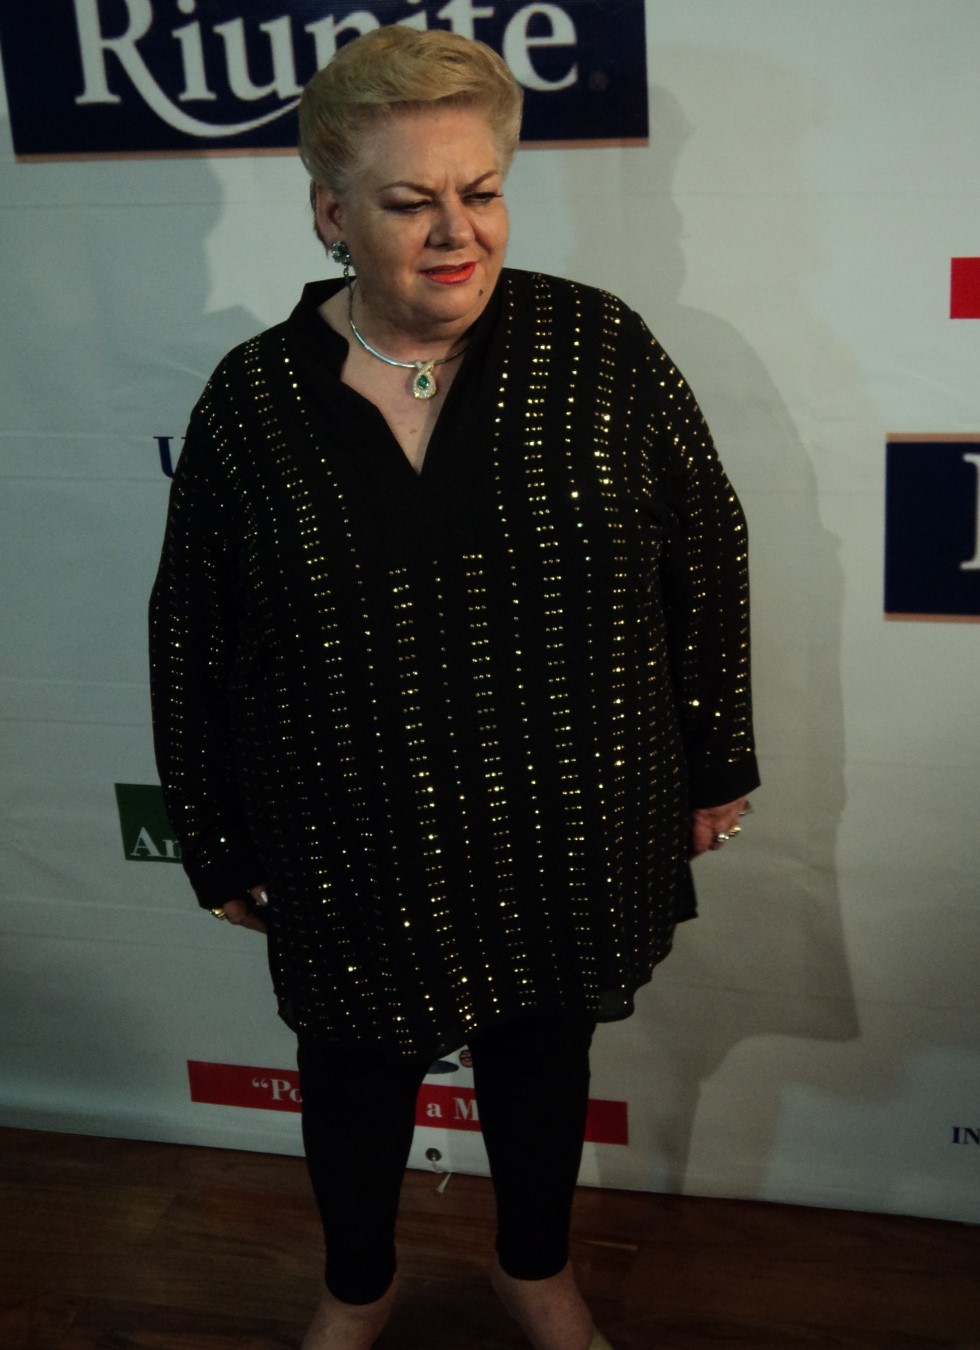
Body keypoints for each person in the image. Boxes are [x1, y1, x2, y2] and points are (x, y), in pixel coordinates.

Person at [149, 25, 758, 1350]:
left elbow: (706, 547)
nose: (454, 232)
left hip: (570, 807)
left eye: (479, 191)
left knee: (543, 1052)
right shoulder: (253, 402)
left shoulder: (598, 348)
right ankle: (357, 1283)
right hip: (349, 823)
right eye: (408, 201)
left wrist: (715, 758)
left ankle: (533, 1268)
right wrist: (211, 824)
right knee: (353, 1069)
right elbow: (192, 625)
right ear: (331, 214)